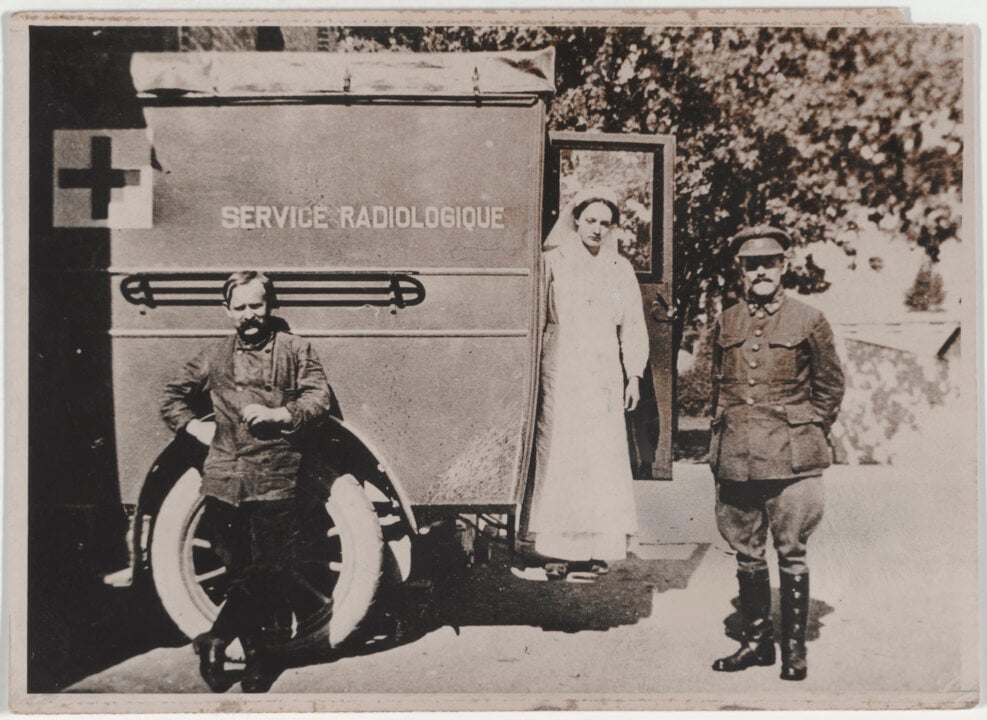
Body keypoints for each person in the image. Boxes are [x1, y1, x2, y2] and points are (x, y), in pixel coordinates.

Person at [160, 270, 333, 692]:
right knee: (239, 570)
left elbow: (318, 398)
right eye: (240, 307)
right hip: (222, 478)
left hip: (274, 475)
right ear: (227, 311)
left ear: (270, 306)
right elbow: (172, 397)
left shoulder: (295, 348)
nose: (250, 315)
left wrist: (282, 415)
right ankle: (258, 659)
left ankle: (214, 639)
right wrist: (193, 428)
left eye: (257, 305)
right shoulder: (214, 355)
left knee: (273, 568)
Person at [708, 226, 845, 681]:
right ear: (741, 270)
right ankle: (756, 643)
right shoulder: (727, 321)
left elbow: (830, 387)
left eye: (769, 262)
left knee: (792, 552)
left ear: (784, 266)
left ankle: (793, 650)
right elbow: (720, 387)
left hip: (792, 460)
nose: (761, 271)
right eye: (752, 264)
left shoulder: (809, 319)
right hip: (738, 454)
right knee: (747, 553)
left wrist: (806, 429)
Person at [523, 187, 650, 581]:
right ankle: (557, 550)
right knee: (563, 453)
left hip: (603, 373)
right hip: (562, 367)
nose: (597, 229)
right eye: (590, 220)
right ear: (576, 218)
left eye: (605, 223)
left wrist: (633, 375)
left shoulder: (618, 269)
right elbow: (538, 319)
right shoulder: (552, 262)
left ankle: (597, 547)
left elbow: (630, 323)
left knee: (600, 457)